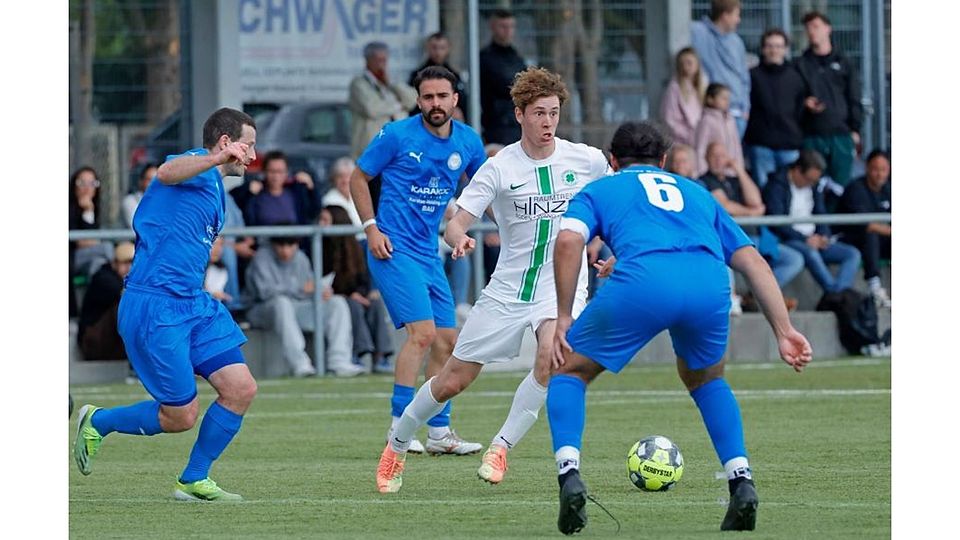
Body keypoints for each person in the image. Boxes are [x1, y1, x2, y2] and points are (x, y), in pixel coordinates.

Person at [547, 120, 812, 534]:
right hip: (708, 285)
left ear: (613, 160)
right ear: (665, 161)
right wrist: (784, 330)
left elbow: (567, 242)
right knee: (706, 379)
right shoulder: (697, 193)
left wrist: (565, 315)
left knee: (568, 371)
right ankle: (741, 479)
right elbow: (752, 261)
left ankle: (569, 474)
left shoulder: (601, 188)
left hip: (642, 285)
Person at [375, 67, 612, 494]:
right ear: (519, 113)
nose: (547, 122)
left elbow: (618, 207)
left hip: (559, 288)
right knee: (453, 380)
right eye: (538, 113)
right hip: (507, 289)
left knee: (552, 357)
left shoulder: (587, 160)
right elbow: (456, 222)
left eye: (554, 113)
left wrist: (617, 252)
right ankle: (396, 444)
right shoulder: (498, 167)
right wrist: (460, 237)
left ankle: (500, 447)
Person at [74, 107, 260, 501]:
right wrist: (214, 159)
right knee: (180, 417)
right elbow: (164, 172)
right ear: (227, 143)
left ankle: (193, 480)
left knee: (241, 388)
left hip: (193, 303)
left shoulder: (214, 187)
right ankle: (99, 421)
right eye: (249, 145)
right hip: (154, 306)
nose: (254, 156)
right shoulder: (192, 164)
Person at [350, 65, 487, 457]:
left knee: (448, 341)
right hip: (392, 250)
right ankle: (399, 427)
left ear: (455, 99)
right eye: (428, 97)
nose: (435, 104)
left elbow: (482, 193)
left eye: (442, 96)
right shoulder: (396, 135)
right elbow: (357, 178)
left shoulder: (468, 142)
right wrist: (371, 228)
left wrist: (462, 231)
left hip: (429, 253)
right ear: (418, 100)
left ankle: (440, 432)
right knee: (422, 335)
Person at [700, 142, 804, 308]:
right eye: (714, 156)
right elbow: (725, 207)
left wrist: (739, 170)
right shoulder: (704, 181)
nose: (719, 160)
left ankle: (755, 296)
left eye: (722, 156)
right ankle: (767, 298)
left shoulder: (734, 180)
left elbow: (756, 200)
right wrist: (752, 212)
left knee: (794, 259)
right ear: (706, 158)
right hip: (731, 240)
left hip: (755, 237)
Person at [245, 233, 362, 378]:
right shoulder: (262, 257)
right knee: (282, 303)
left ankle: (339, 362)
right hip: (263, 310)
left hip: (296, 308)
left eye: (290, 246)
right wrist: (300, 289)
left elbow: (308, 289)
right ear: (273, 245)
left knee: (337, 303)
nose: (285, 251)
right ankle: (300, 364)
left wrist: (319, 292)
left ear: (297, 245)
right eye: (281, 246)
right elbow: (265, 292)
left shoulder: (301, 258)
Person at [763, 149, 862, 295]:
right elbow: (777, 223)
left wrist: (824, 235)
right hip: (789, 239)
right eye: (809, 180)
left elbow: (821, 213)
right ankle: (836, 296)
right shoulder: (776, 185)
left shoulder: (814, 185)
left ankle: (838, 292)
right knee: (811, 253)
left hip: (814, 238)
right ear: (797, 170)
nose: (811, 184)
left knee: (852, 254)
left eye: (814, 181)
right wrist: (805, 239)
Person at [322, 205, 395, 371]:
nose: (322, 224)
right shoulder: (321, 247)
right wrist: (351, 294)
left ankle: (382, 355)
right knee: (352, 306)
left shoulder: (358, 247)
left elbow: (362, 276)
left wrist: (364, 293)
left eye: (326, 220)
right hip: (339, 296)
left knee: (375, 304)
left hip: (357, 293)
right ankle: (359, 352)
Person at [796, 11, 862, 190]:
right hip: (813, 134)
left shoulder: (844, 62)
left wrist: (855, 128)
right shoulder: (801, 63)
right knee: (814, 186)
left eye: (816, 26)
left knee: (840, 187)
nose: (812, 31)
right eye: (808, 28)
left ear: (828, 29)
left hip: (841, 134)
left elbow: (854, 96)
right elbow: (795, 96)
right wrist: (805, 103)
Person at [744, 28, 806, 188]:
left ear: (785, 49)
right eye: (770, 46)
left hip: (789, 144)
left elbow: (800, 109)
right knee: (764, 188)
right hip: (761, 144)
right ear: (763, 49)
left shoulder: (795, 77)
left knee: (790, 190)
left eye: (778, 46)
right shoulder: (752, 75)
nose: (774, 50)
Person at [837, 150, 891, 307]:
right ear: (867, 168)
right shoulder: (855, 188)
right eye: (875, 169)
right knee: (870, 234)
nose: (879, 174)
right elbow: (867, 225)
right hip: (851, 238)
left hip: (881, 240)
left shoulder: (889, 189)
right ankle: (874, 287)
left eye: (884, 169)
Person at [690, 0, 750, 137]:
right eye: (736, 15)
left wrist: (745, 108)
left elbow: (744, 78)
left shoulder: (736, 42)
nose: (738, 20)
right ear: (725, 15)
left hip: (737, 114)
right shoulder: (696, 32)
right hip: (709, 112)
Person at [349, 41, 419, 159]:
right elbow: (372, 109)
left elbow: (413, 100)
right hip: (371, 149)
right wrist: (399, 106)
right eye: (378, 60)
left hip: (396, 147)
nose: (382, 64)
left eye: (384, 60)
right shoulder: (359, 84)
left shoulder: (391, 83)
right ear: (368, 60)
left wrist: (392, 84)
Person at [77, 242, 135, 361]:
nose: (129, 268)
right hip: (93, 343)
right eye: (125, 263)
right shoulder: (103, 278)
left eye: (132, 263)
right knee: (125, 306)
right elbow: (123, 293)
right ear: (114, 263)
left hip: (114, 344)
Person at [480, 9, 527, 145]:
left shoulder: (517, 57)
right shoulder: (485, 58)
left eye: (511, 27)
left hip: (517, 119)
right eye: (503, 26)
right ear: (493, 27)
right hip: (496, 123)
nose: (508, 31)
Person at [245, 151, 319, 227]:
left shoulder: (297, 192)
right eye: (272, 171)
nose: (276, 176)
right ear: (264, 171)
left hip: (294, 237)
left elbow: (314, 211)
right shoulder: (255, 193)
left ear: (287, 172)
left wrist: (311, 188)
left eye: (280, 171)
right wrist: (248, 192)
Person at [408, 32, 469, 123]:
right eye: (434, 47)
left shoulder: (455, 75)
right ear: (427, 48)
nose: (438, 52)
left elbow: (464, 103)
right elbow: (412, 104)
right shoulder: (417, 76)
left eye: (442, 48)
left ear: (448, 48)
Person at [659, 47, 707, 147]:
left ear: (697, 64)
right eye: (682, 64)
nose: (685, 67)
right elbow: (669, 119)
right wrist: (689, 136)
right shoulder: (674, 87)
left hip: (701, 140)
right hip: (682, 143)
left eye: (689, 63)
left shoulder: (702, 87)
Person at [694, 83, 744, 177]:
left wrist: (739, 167)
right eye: (723, 98)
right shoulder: (707, 120)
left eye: (728, 98)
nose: (727, 102)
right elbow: (700, 147)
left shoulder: (730, 120)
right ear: (710, 99)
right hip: (712, 172)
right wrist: (702, 171)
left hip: (729, 171)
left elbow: (737, 145)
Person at [123, 163, 158, 227]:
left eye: (156, 181)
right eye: (149, 180)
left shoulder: (165, 201)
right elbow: (137, 227)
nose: (154, 184)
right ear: (141, 182)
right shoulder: (130, 201)